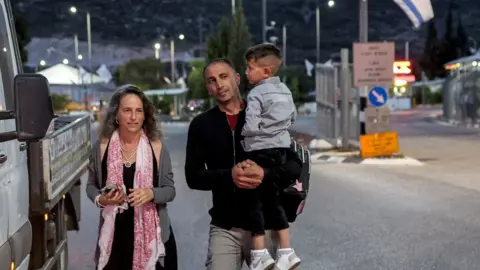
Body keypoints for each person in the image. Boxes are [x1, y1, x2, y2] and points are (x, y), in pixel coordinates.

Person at [185, 58, 302, 270]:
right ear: (208, 89)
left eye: (223, 77)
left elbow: (295, 166)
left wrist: (265, 173)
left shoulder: (265, 116)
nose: (219, 85)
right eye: (212, 81)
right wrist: (229, 176)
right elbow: (192, 176)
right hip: (225, 227)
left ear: (236, 79)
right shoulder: (201, 125)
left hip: (266, 226)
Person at [86, 84, 178, 270]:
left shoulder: (157, 148)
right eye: (127, 110)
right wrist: (101, 199)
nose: (134, 117)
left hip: (153, 240)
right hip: (115, 241)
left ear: (145, 115)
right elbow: (91, 186)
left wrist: (150, 193)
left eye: (139, 111)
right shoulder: (102, 147)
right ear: (116, 115)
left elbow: (170, 190)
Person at [241, 43, 300, 270]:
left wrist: (244, 133)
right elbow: (292, 116)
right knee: (274, 200)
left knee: (254, 202)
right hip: (282, 150)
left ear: (266, 71)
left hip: (260, 151)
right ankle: (287, 251)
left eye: (249, 68)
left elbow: (252, 125)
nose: (246, 72)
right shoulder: (285, 89)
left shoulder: (256, 93)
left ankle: (259, 254)